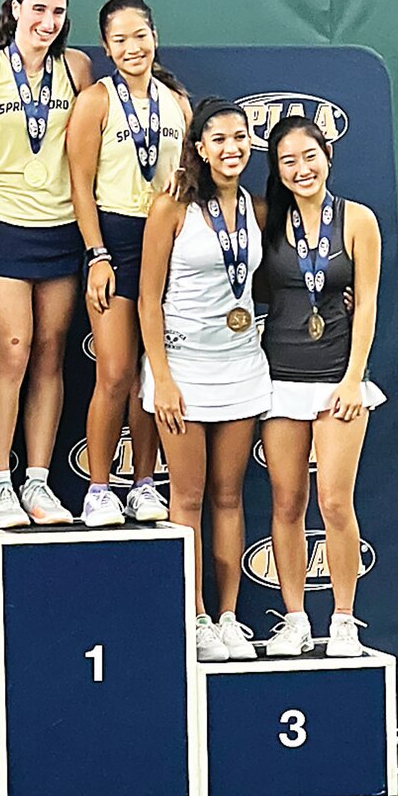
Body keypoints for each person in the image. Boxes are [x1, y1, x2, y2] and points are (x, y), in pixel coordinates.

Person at [0, 0, 92, 528]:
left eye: (58, 12)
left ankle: (37, 481)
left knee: (52, 354)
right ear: (14, 9)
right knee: (12, 350)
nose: (49, 22)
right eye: (38, 9)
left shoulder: (77, 69)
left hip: (61, 228)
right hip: (1, 225)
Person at [138, 99, 270, 663]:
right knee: (186, 499)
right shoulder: (171, 207)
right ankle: (192, 616)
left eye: (239, 138)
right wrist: (161, 379)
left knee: (229, 496)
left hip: (241, 366)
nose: (231, 149)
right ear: (198, 148)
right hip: (183, 370)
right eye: (218, 139)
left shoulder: (260, 210)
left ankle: (229, 618)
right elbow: (147, 298)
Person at [258, 118, 385, 658]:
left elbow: (368, 302)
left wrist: (354, 377)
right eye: (288, 161)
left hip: (340, 382)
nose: (301, 169)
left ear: (328, 155)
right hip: (279, 380)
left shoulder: (358, 220)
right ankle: (293, 619)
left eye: (309, 156)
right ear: (278, 170)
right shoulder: (265, 219)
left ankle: (344, 619)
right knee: (287, 502)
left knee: (334, 502)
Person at [68, 0, 191, 527]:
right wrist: (97, 253)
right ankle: (99, 486)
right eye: (119, 39)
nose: (131, 47)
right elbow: (78, 183)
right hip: (114, 238)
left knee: (149, 374)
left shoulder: (177, 103)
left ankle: (144, 482)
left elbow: (190, 177)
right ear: (106, 46)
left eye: (139, 35)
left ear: (155, 36)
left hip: (165, 240)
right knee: (115, 372)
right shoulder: (96, 101)